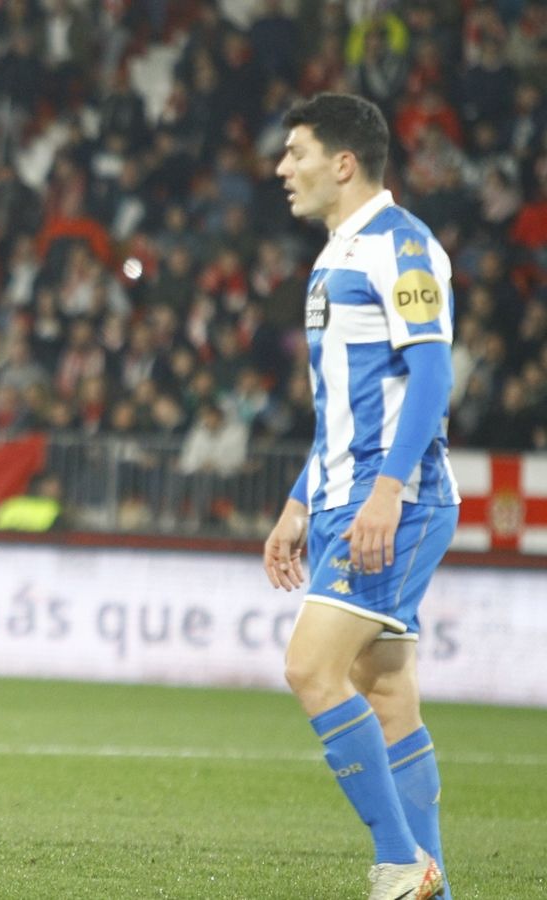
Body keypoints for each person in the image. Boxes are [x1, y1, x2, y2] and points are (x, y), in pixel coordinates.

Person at [266, 93, 456, 900]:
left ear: (344, 163)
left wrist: (382, 495)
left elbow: (432, 377)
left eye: (297, 153)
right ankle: (432, 887)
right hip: (344, 494)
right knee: (384, 690)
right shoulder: (336, 254)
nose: (283, 169)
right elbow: (347, 404)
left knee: (310, 669)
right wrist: (301, 499)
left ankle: (399, 863)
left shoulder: (402, 248)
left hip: (395, 503)